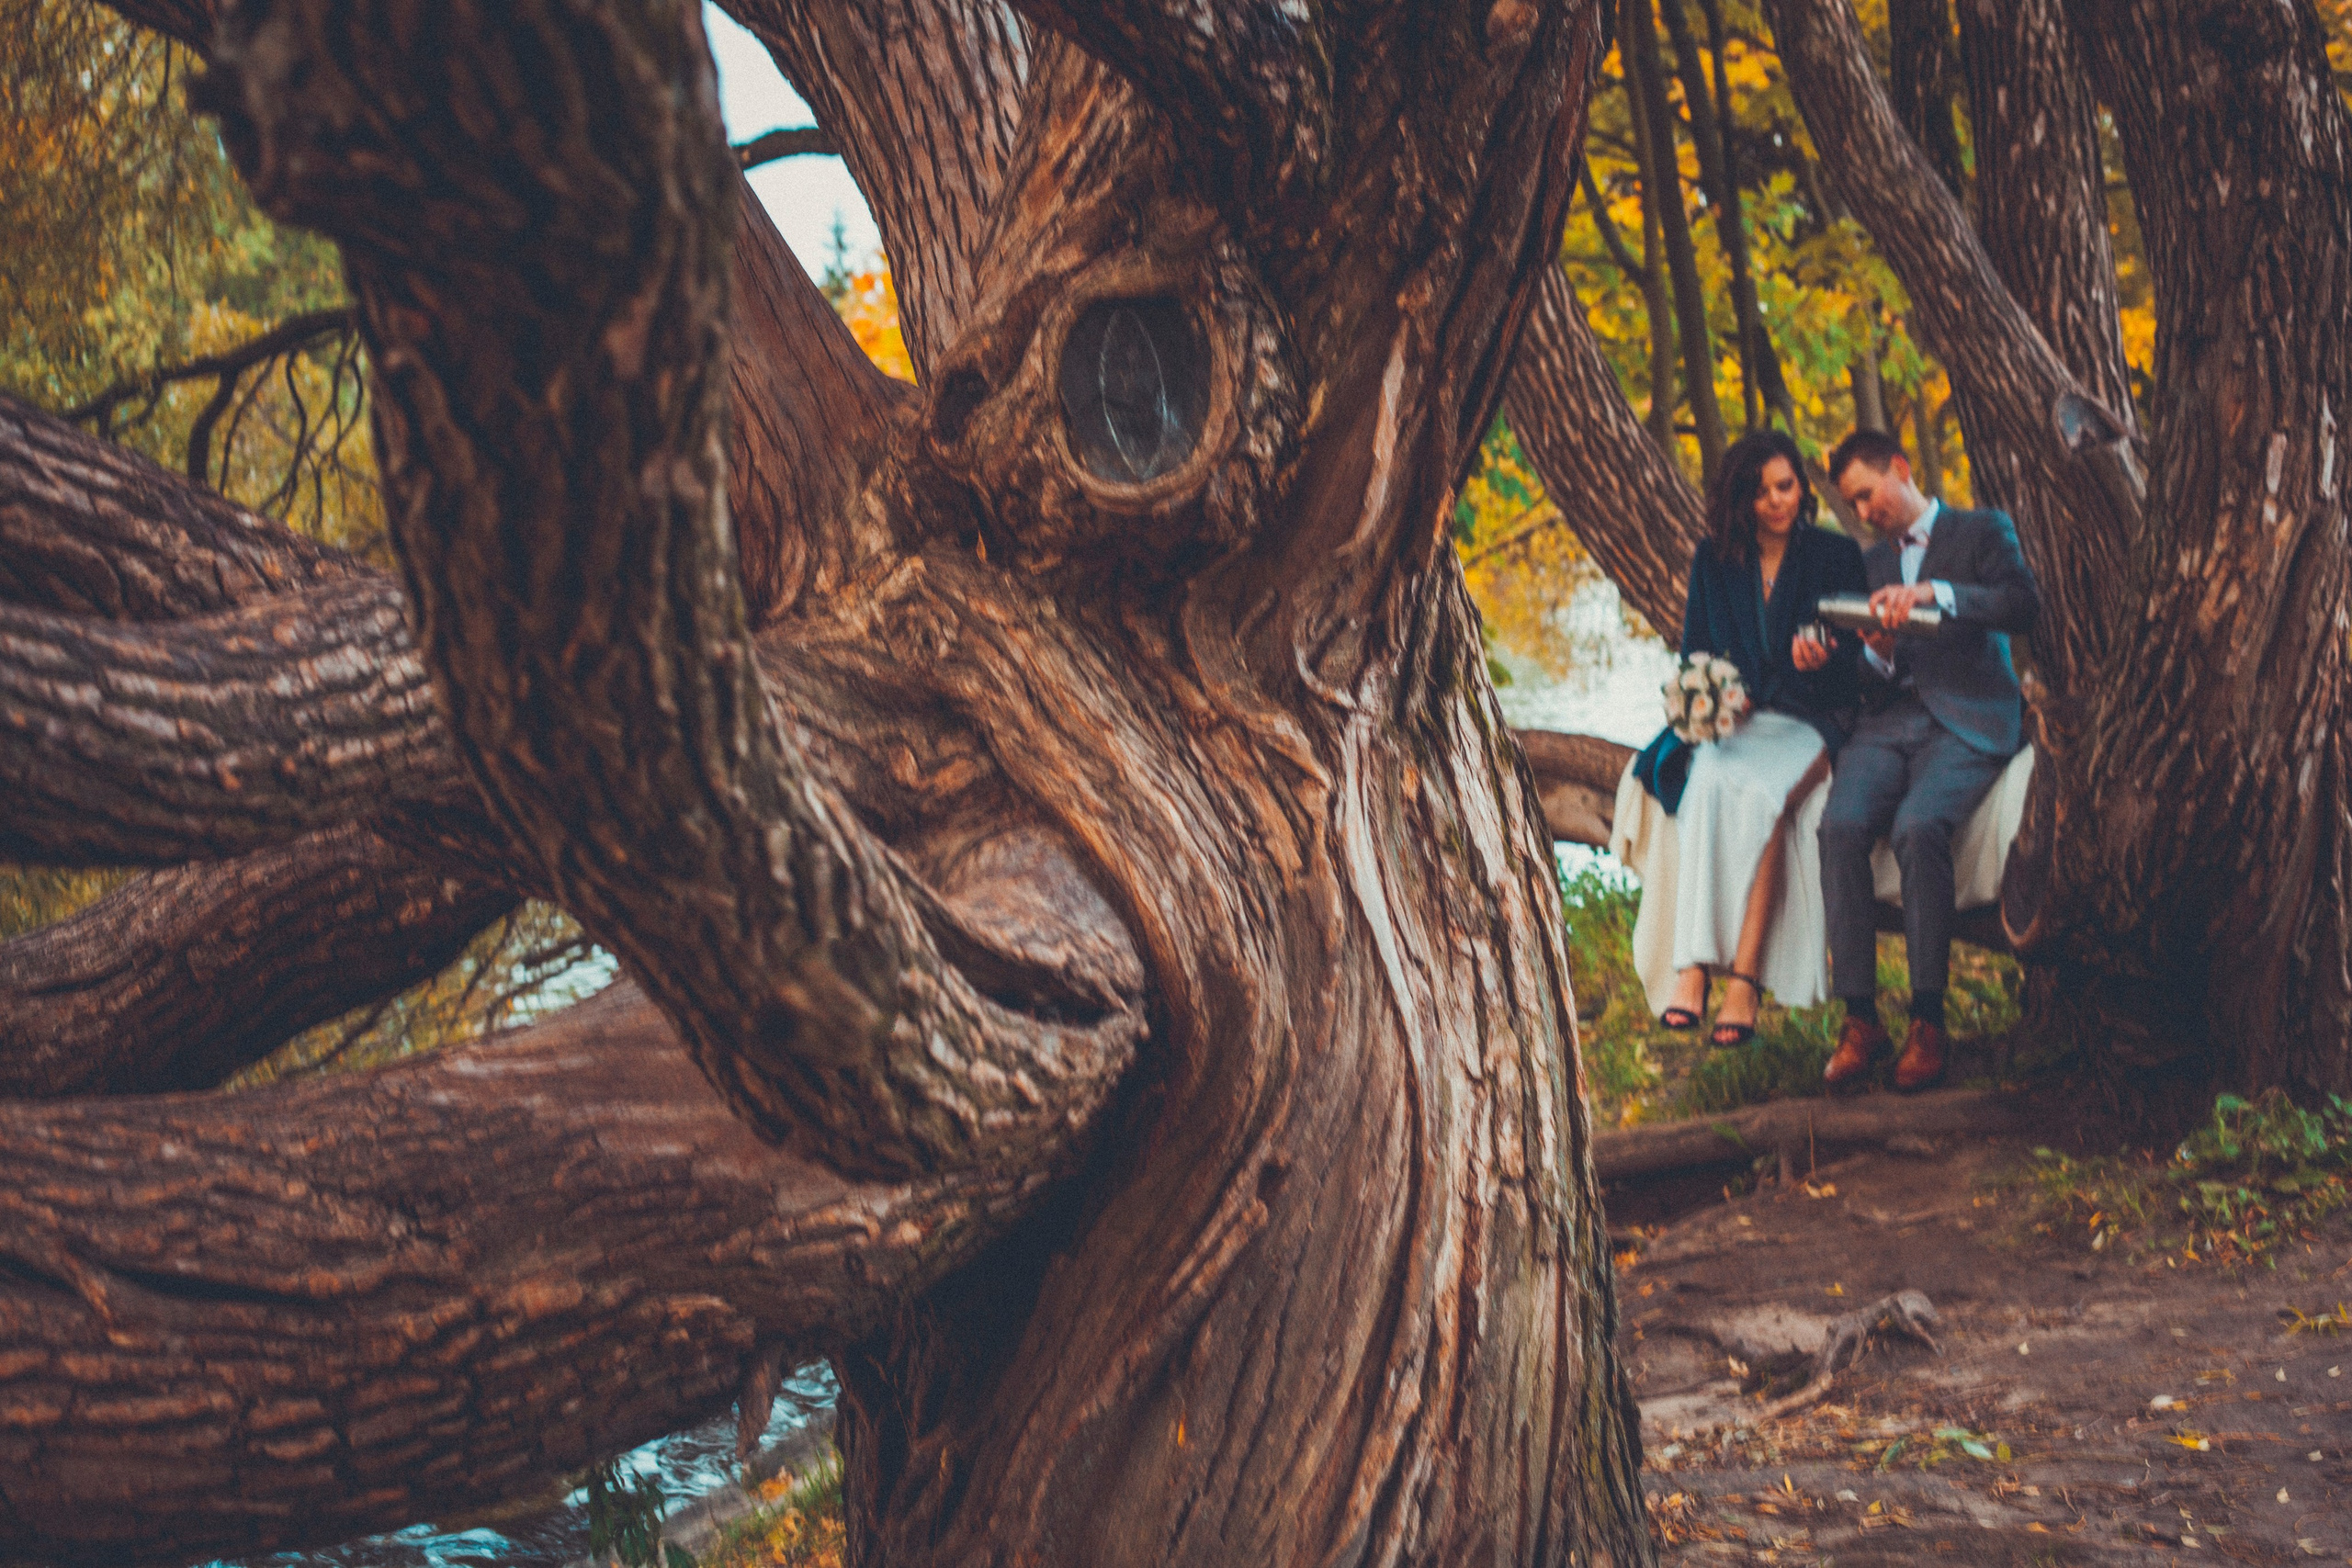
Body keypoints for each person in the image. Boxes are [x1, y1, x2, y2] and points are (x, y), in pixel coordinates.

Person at [1817, 429, 2040, 1092]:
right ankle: (1861, 1018)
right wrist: (1878, 650)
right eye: (1853, 505)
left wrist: (1936, 593)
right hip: (1888, 723)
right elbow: (1862, 675)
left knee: (1919, 826)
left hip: (1968, 719)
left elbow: (2021, 604)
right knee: (1840, 827)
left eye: (1867, 495)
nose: (1864, 512)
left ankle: (1928, 1020)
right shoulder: (1867, 562)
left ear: (1901, 468)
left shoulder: (1982, 530)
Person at [1632, 429, 1867, 1047]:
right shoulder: (1714, 560)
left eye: (1786, 486)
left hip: (1814, 719)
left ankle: (1744, 979)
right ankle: (1692, 968)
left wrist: (1825, 659)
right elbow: (1695, 653)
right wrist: (1719, 698)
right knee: (1706, 782)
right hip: (1741, 723)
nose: (1777, 500)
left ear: (1801, 487)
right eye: (1762, 492)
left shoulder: (1835, 554)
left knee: (1765, 800)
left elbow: (1862, 663)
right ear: (1742, 499)